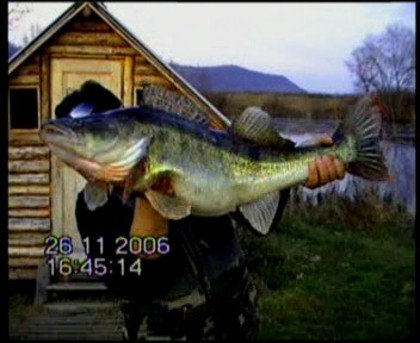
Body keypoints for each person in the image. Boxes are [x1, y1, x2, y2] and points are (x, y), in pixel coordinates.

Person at [55, 81, 345, 341]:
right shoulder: (92, 209)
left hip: (239, 323)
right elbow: (138, 282)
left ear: (129, 128)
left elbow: (256, 216)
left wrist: (304, 164)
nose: (74, 151)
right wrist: (150, 195)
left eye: (89, 131)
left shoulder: (177, 145)